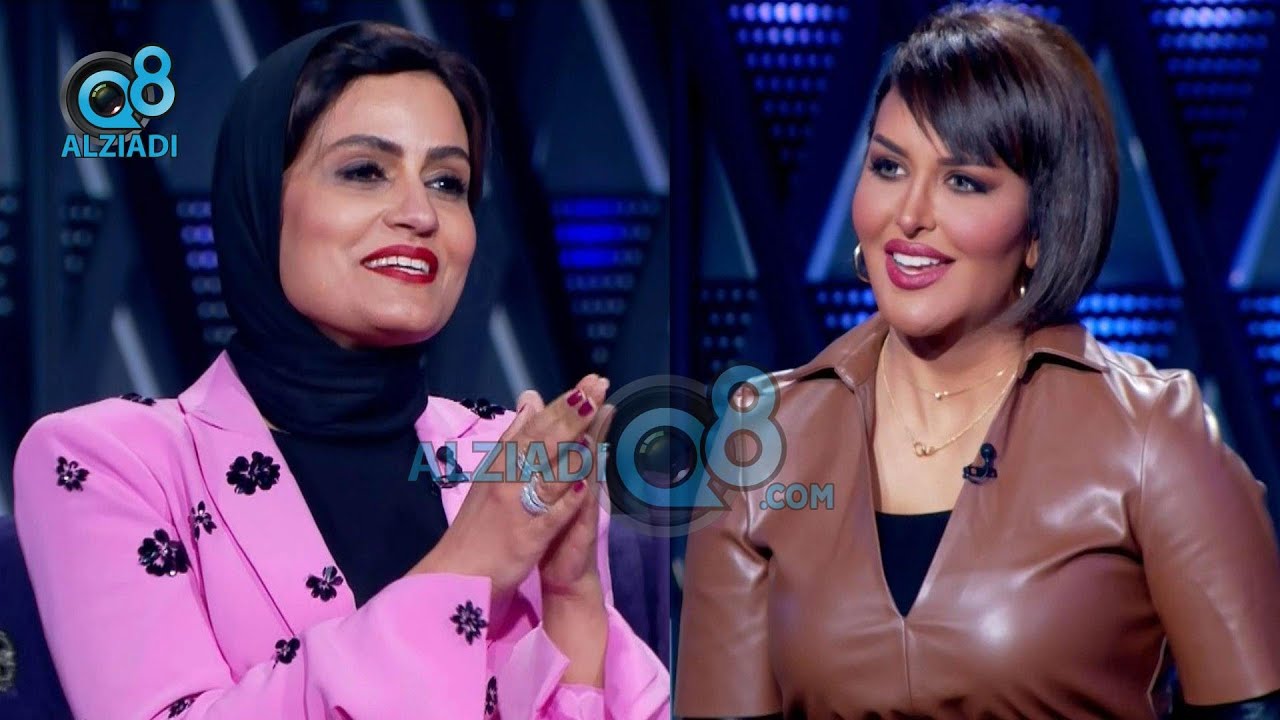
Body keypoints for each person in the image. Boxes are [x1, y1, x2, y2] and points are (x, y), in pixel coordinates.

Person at [14, 21, 668, 719]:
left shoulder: (504, 455)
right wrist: (469, 566)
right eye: (364, 171)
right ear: (261, 200)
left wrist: (570, 597)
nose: (419, 214)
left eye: (447, 182)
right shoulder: (113, 461)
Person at [674, 6, 1280, 719]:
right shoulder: (761, 442)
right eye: (889, 167)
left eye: (963, 181)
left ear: (1042, 226)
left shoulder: (1152, 434)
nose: (908, 215)